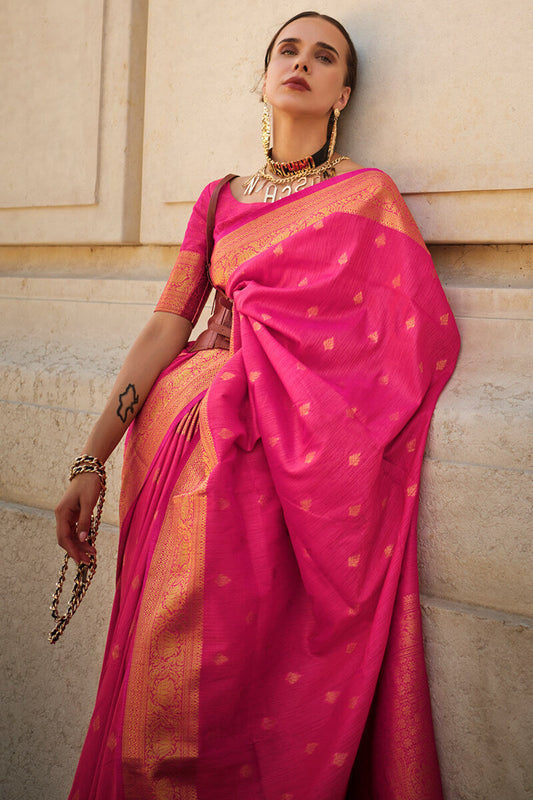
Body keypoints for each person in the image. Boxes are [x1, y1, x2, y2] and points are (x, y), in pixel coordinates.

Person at [55, 11, 460, 799]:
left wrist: (267, 368)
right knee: (161, 682)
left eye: (325, 57)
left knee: (241, 677)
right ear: (262, 75)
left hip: (289, 475)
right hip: (180, 469)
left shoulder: (364, 199)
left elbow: (414, 343)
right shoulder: (216, 201)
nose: (302, 63)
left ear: (343, 92)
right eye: (288, 49)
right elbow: (165, 327)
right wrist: (89, 458)